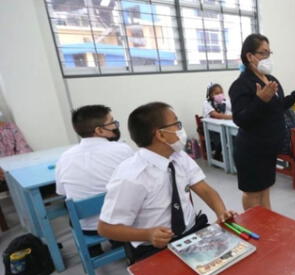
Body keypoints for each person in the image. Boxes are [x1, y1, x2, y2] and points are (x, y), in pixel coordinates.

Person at [97, 102, 236, 262]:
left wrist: (221, 212)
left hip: (192, 232)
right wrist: (147, 234)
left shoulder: (179, 157)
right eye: (177, 124)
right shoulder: (131, 176)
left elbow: (205, 190)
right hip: (154, 247)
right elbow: (105, 228)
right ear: (161, 135)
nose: (180, 129)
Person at [229, 33, 295, 210]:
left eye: (269, 53)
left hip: (268, 148)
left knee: (265, 190)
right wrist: (260, 100)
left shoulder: (272, 80)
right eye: (263, 53)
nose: (267, 57)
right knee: (253, 193)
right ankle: (254, 229)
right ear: (250, 56)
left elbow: (280, 106)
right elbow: (241, 119)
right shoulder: (241, 85)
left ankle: (265, 230)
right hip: (251, 151)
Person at [55, 105, 133, 257]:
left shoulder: (64, 158)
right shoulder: (122, 149)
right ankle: (118, 241)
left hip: (86, 228)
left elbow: (62, 193)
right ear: (99, 130)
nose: (115, 126)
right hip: (121, 222)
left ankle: (94, 251)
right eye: (112, 122)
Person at [202, 83, 233, 161]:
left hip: (224, 127)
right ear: (211, 95)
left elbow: (234, 108)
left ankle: (233, 157)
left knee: (235, 136)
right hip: (212, 129)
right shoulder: (206, 103)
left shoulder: (225, 102)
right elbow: (216, 115)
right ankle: (217, 155)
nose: (220, 95)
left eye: (221, 92)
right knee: (222, 139)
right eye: (216, 93)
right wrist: (232, 117)